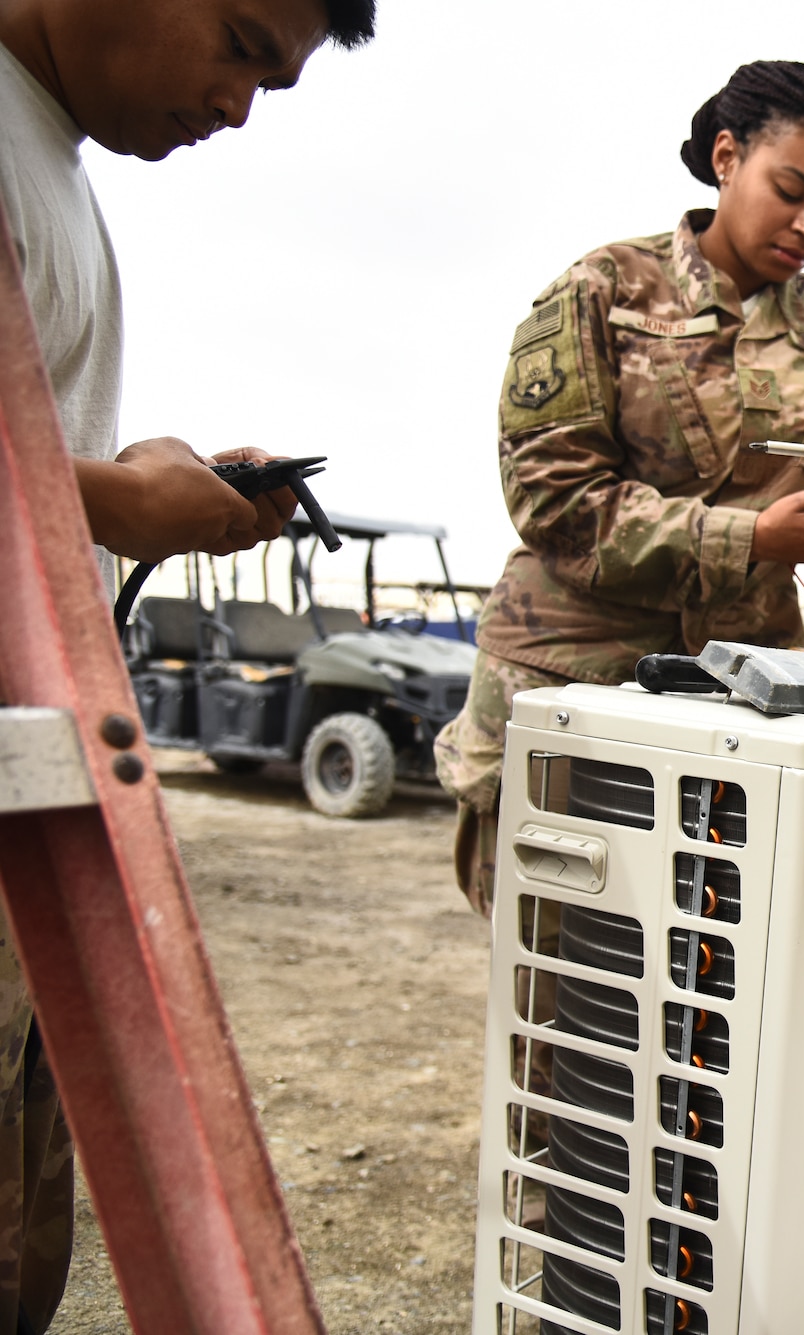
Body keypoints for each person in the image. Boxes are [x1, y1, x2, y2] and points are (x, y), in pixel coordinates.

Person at [437, 60, 804, 917]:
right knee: (563, 979)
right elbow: (552, 502)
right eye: (791, 189)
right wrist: (753, 538)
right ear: (725, 157)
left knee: (711, 978)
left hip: (742, 701)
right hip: (572, 685)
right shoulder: (601, 290)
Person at [0, 0, 374, 1325]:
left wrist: (134, 481)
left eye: (272, 80)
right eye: (238, 43)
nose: (239, 106)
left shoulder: (44, 153)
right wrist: (112, 498)